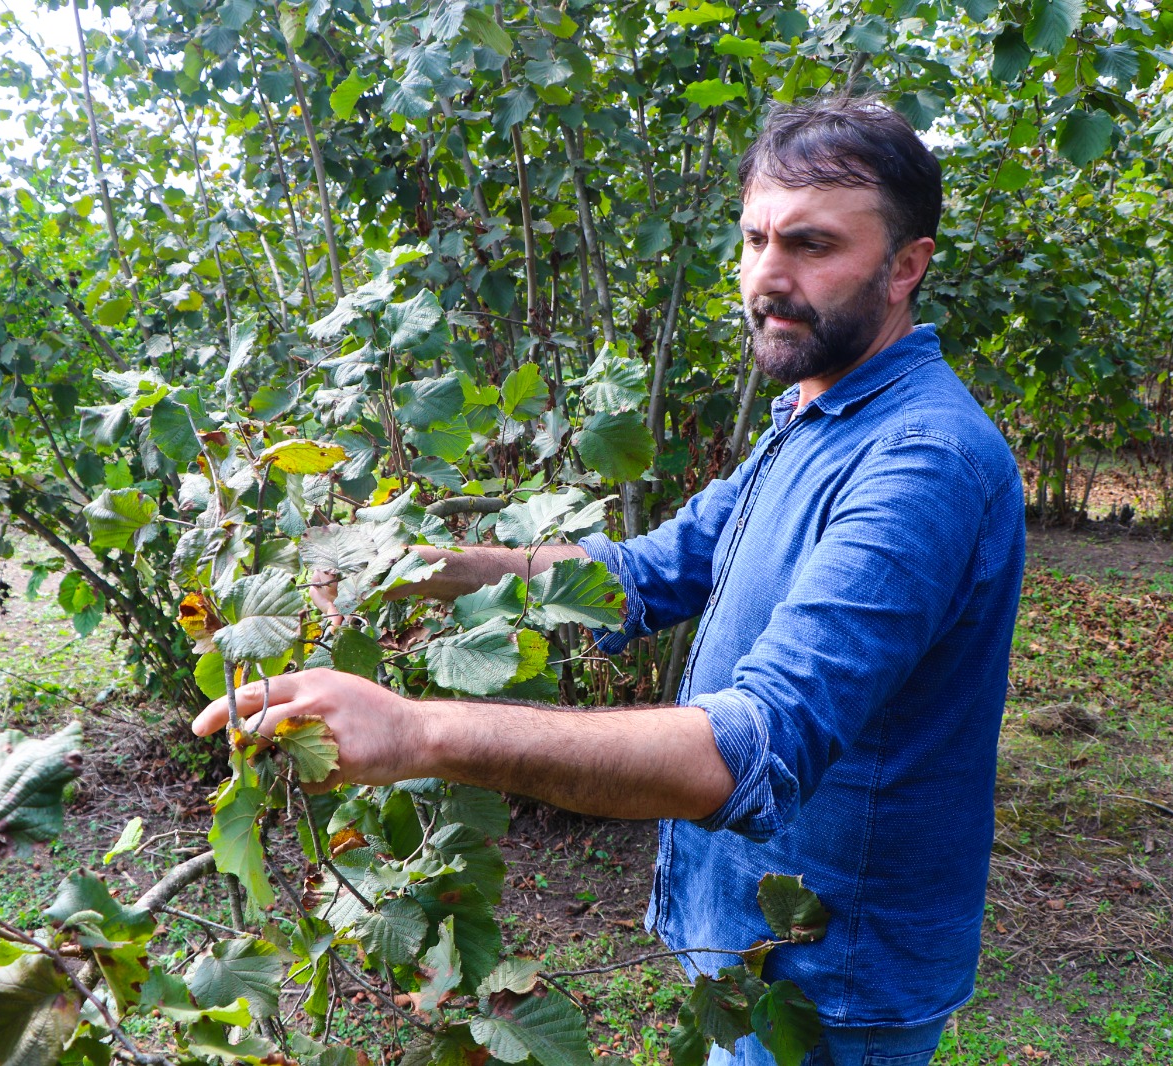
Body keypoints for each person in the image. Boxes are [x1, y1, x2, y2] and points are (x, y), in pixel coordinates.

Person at [192, 96, 1025, 1066]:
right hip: (755, 958)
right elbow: (645, 574)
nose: (767, 275)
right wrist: (421, 568)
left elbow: (750, 747)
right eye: (754, 239)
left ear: (906, 265)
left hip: (832, 982)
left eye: (811, 244)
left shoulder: (920, 463)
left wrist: (418, 730)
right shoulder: (818, 415)